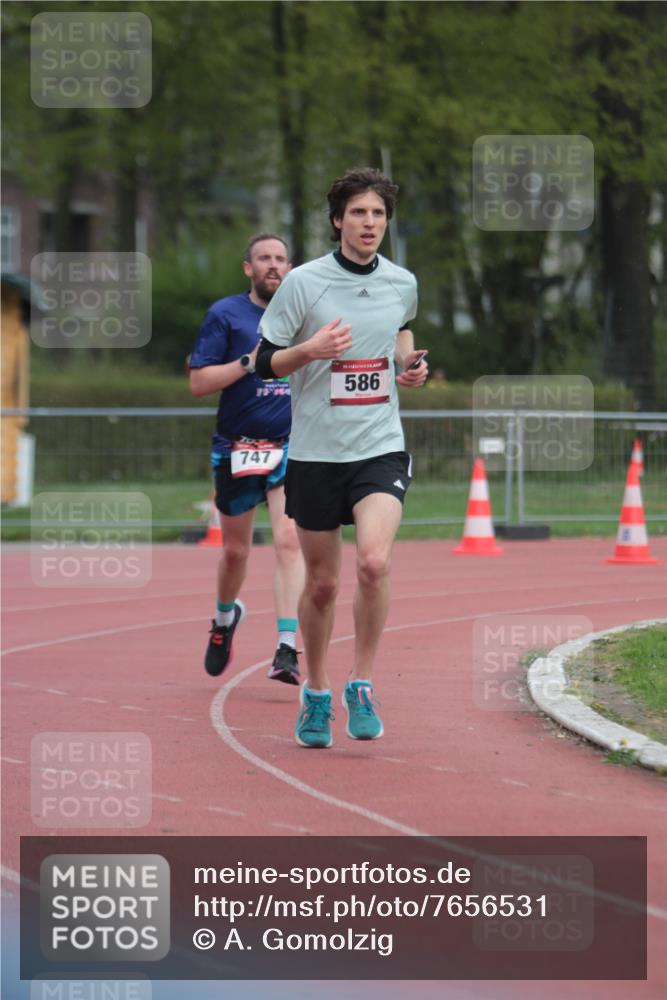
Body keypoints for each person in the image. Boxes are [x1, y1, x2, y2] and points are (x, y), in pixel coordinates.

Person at [255, 167, 428, 748]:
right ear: (337, 221)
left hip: (379, 445)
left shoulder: (402, 282)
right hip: (316, 453)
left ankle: (362, 682)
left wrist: (407, 365)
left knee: (374, 563)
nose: (369, 223)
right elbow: (264, 360)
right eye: (358, 213)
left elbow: (401, 332)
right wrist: (311, 349)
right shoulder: (304, 283)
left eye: (378, 214)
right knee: (324, 584)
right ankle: (318, 692)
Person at [189, 234, 305, 684]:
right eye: (264, 259)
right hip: (236, 447)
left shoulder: (302, 317)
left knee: (289, 541)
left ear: (290, 268)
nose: (273, 266)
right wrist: (247, 362)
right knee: (236, 551)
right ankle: (223, 619)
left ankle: (286, 648)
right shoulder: (226, 314)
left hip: (292, 445)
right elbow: (199, 383)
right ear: (248, 268)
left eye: (280, 259)